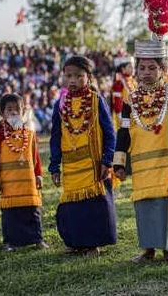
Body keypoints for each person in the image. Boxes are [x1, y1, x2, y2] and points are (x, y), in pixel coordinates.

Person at [114, 0, 168, 264]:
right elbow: (123, 131)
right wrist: (120, 161)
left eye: (151, 68)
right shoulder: (129, 99)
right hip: (142, 163)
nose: (145, 72)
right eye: (141, 67)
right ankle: (147, 249)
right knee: (144, 203)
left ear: (162, 68)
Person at [49, 55, 117, 257]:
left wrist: (107, 159)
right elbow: (55, 136)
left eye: (78, 76)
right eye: (68, 76)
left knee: (93, 206)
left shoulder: (96, 101)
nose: (73, 80)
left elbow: (110, 132)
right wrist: (54, 166)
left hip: (94, 164)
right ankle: (76, 242)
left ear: (88, 77)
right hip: (71, 165)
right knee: (73, 206)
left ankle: (93, 244)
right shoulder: (59, 104)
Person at [0, 93, 48, 251]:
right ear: (2, 114)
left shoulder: (29, 134)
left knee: (32, 212)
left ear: (23, 112)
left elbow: (35, 157)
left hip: (29, 185)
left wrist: (39, 175)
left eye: (17, 109)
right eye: (9, 109)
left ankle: (37, 239)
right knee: (10, 215)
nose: (14, 112)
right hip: (9, 186)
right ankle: (10, 243)